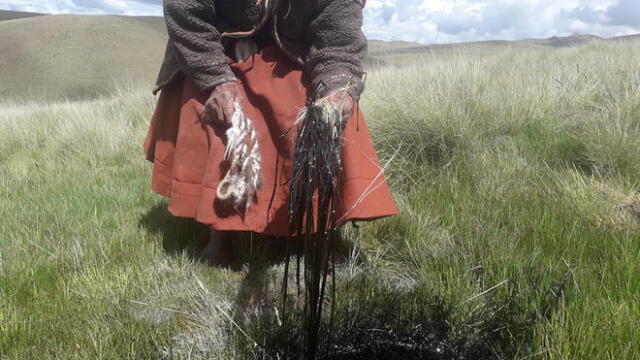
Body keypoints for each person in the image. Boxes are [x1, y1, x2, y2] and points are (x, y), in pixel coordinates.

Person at [144, 0, 398, 264]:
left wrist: (337, 86)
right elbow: (186, 12)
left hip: (294, 53)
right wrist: (214, 80)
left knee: (325, 113)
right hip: (216, 49)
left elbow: (338, 35)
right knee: (216, 108)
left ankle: (319, 228)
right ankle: (219, 227)